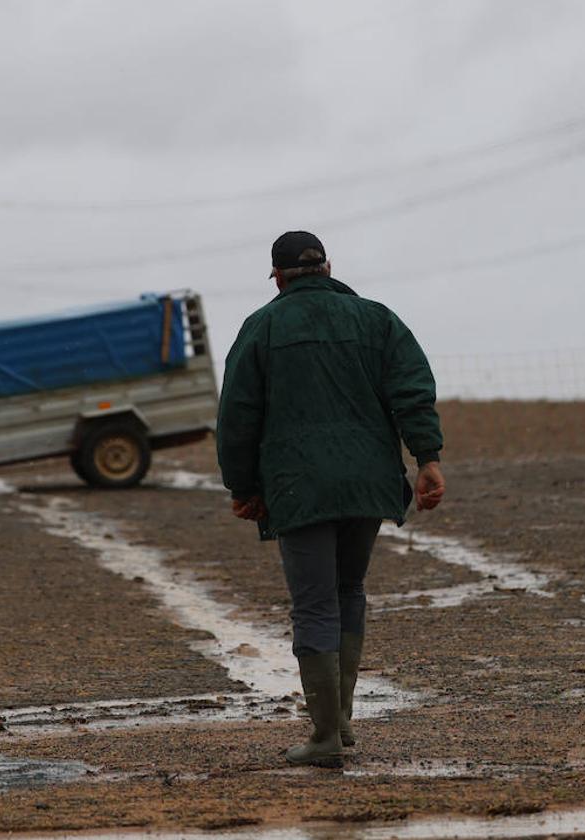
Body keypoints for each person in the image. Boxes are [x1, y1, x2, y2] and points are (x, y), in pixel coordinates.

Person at [216, 230, 445, 769]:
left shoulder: (262, 327)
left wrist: (242, 486)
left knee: (315, 603)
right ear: (327, 267)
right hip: (368, 482)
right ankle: (339, 722)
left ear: (277, 275)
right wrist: (428, 458)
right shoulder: (377, 319)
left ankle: (324, 736)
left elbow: (238, 414)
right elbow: (412, 388)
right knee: (348, 591)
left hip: (299, 486)